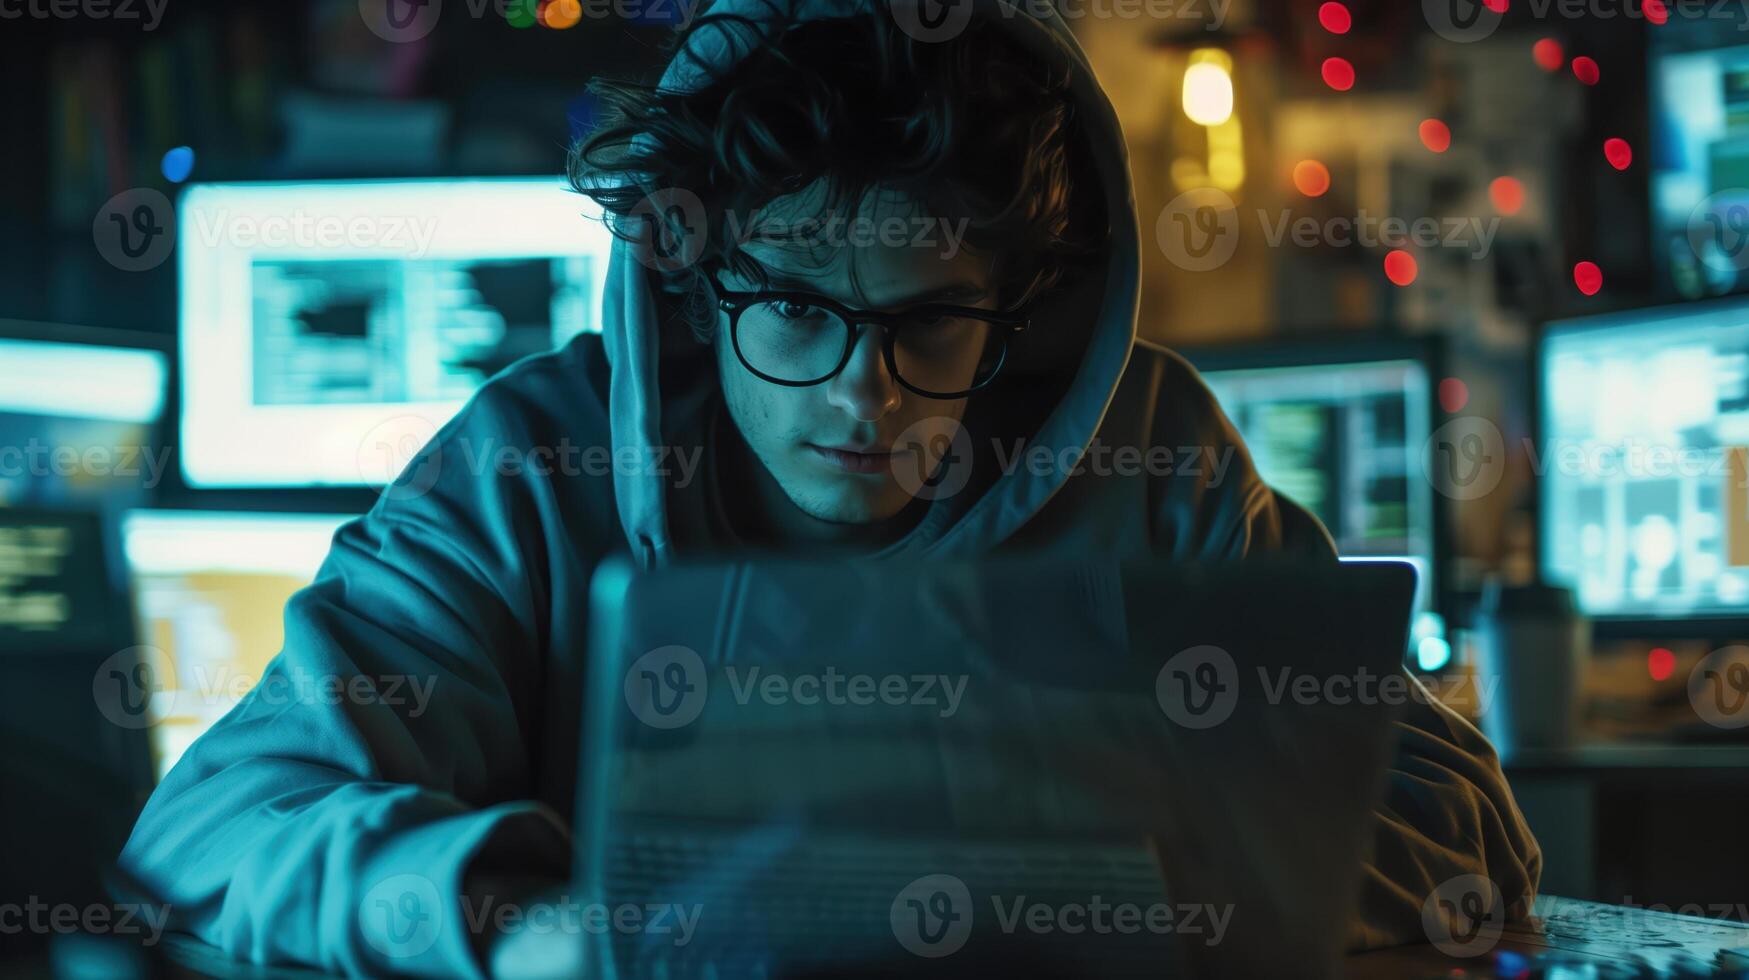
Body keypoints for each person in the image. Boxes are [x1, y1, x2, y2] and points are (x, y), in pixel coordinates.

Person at [119, 0, 1541, 975]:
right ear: (693, 280)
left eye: (931, 322)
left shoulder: (1149, 452)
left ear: (1019, 311)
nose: (861, 396)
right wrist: (517, 923)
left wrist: (1083, 901)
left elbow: (1456, 812)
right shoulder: (529, 467)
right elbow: (211, 826)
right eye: (793, 310)